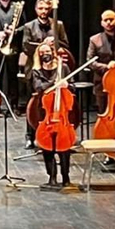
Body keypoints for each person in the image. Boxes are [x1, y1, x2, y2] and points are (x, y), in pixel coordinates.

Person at [27, 40, 75, 185]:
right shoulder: (36, 70)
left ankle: (66, 177)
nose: (45, 55)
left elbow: (73, 86)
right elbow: (38, 87)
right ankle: (52, 177)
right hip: (43, 110)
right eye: (42, 53)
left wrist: (67, 84)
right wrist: (54, 83)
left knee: (64, 147)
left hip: (61, 111)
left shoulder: (63, 67)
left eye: (47, 52)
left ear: (53, 53)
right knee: (46, 146)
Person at [19, 0, 71, 73]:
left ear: (50, 10)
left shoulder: (58, 24)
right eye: (40, 8)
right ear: (36, 9)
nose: (44, 11)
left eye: (46, 9)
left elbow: (66, 45)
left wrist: (55, 41)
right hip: (34, 66)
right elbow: (25, 47)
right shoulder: (28, 26)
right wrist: (43, 45)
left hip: (54, 65)